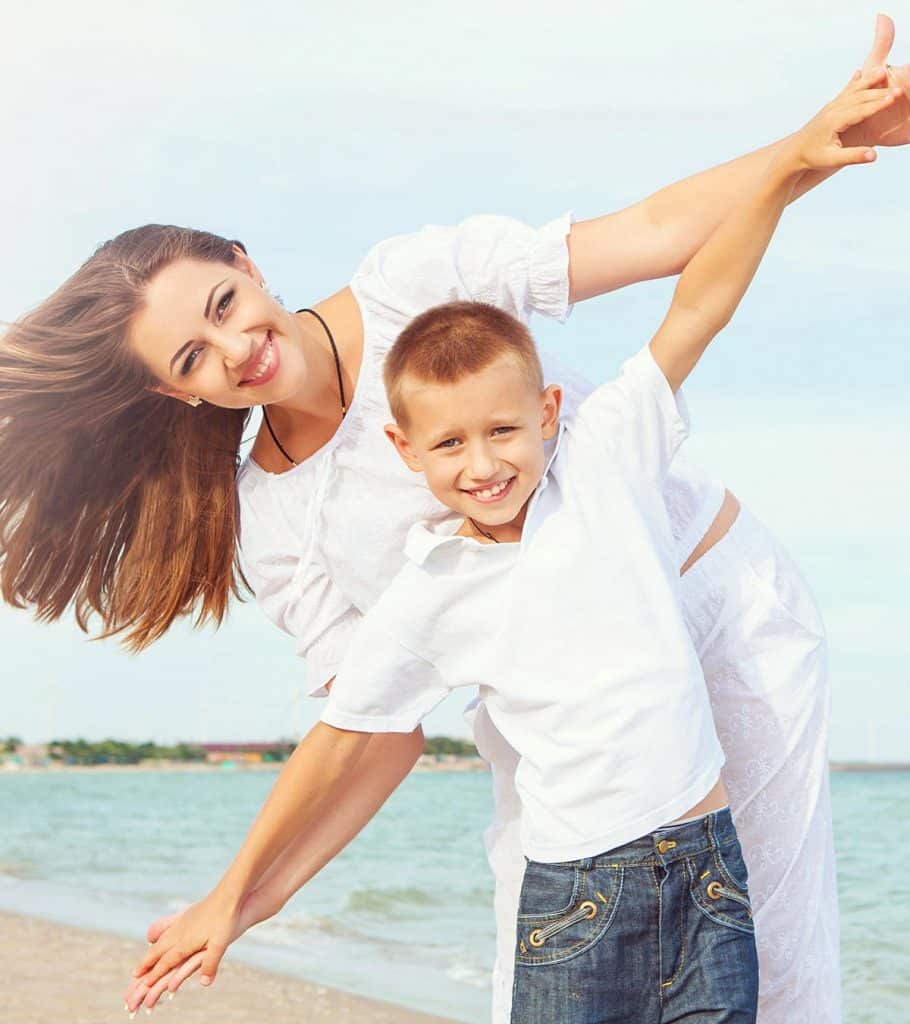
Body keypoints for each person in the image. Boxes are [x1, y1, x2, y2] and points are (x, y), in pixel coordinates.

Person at [0, 16, 904, 1023]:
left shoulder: (412, 283)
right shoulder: (273, 516)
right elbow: (370, 728)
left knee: (773, 979)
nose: (232, 346)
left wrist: (809, 149)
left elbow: (652, 239)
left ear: (247, 262)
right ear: (177, 398)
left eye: (221, 301)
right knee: (537, 983)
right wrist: (241, 902)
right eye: (190, 359)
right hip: (543, 715)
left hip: (714, 610)